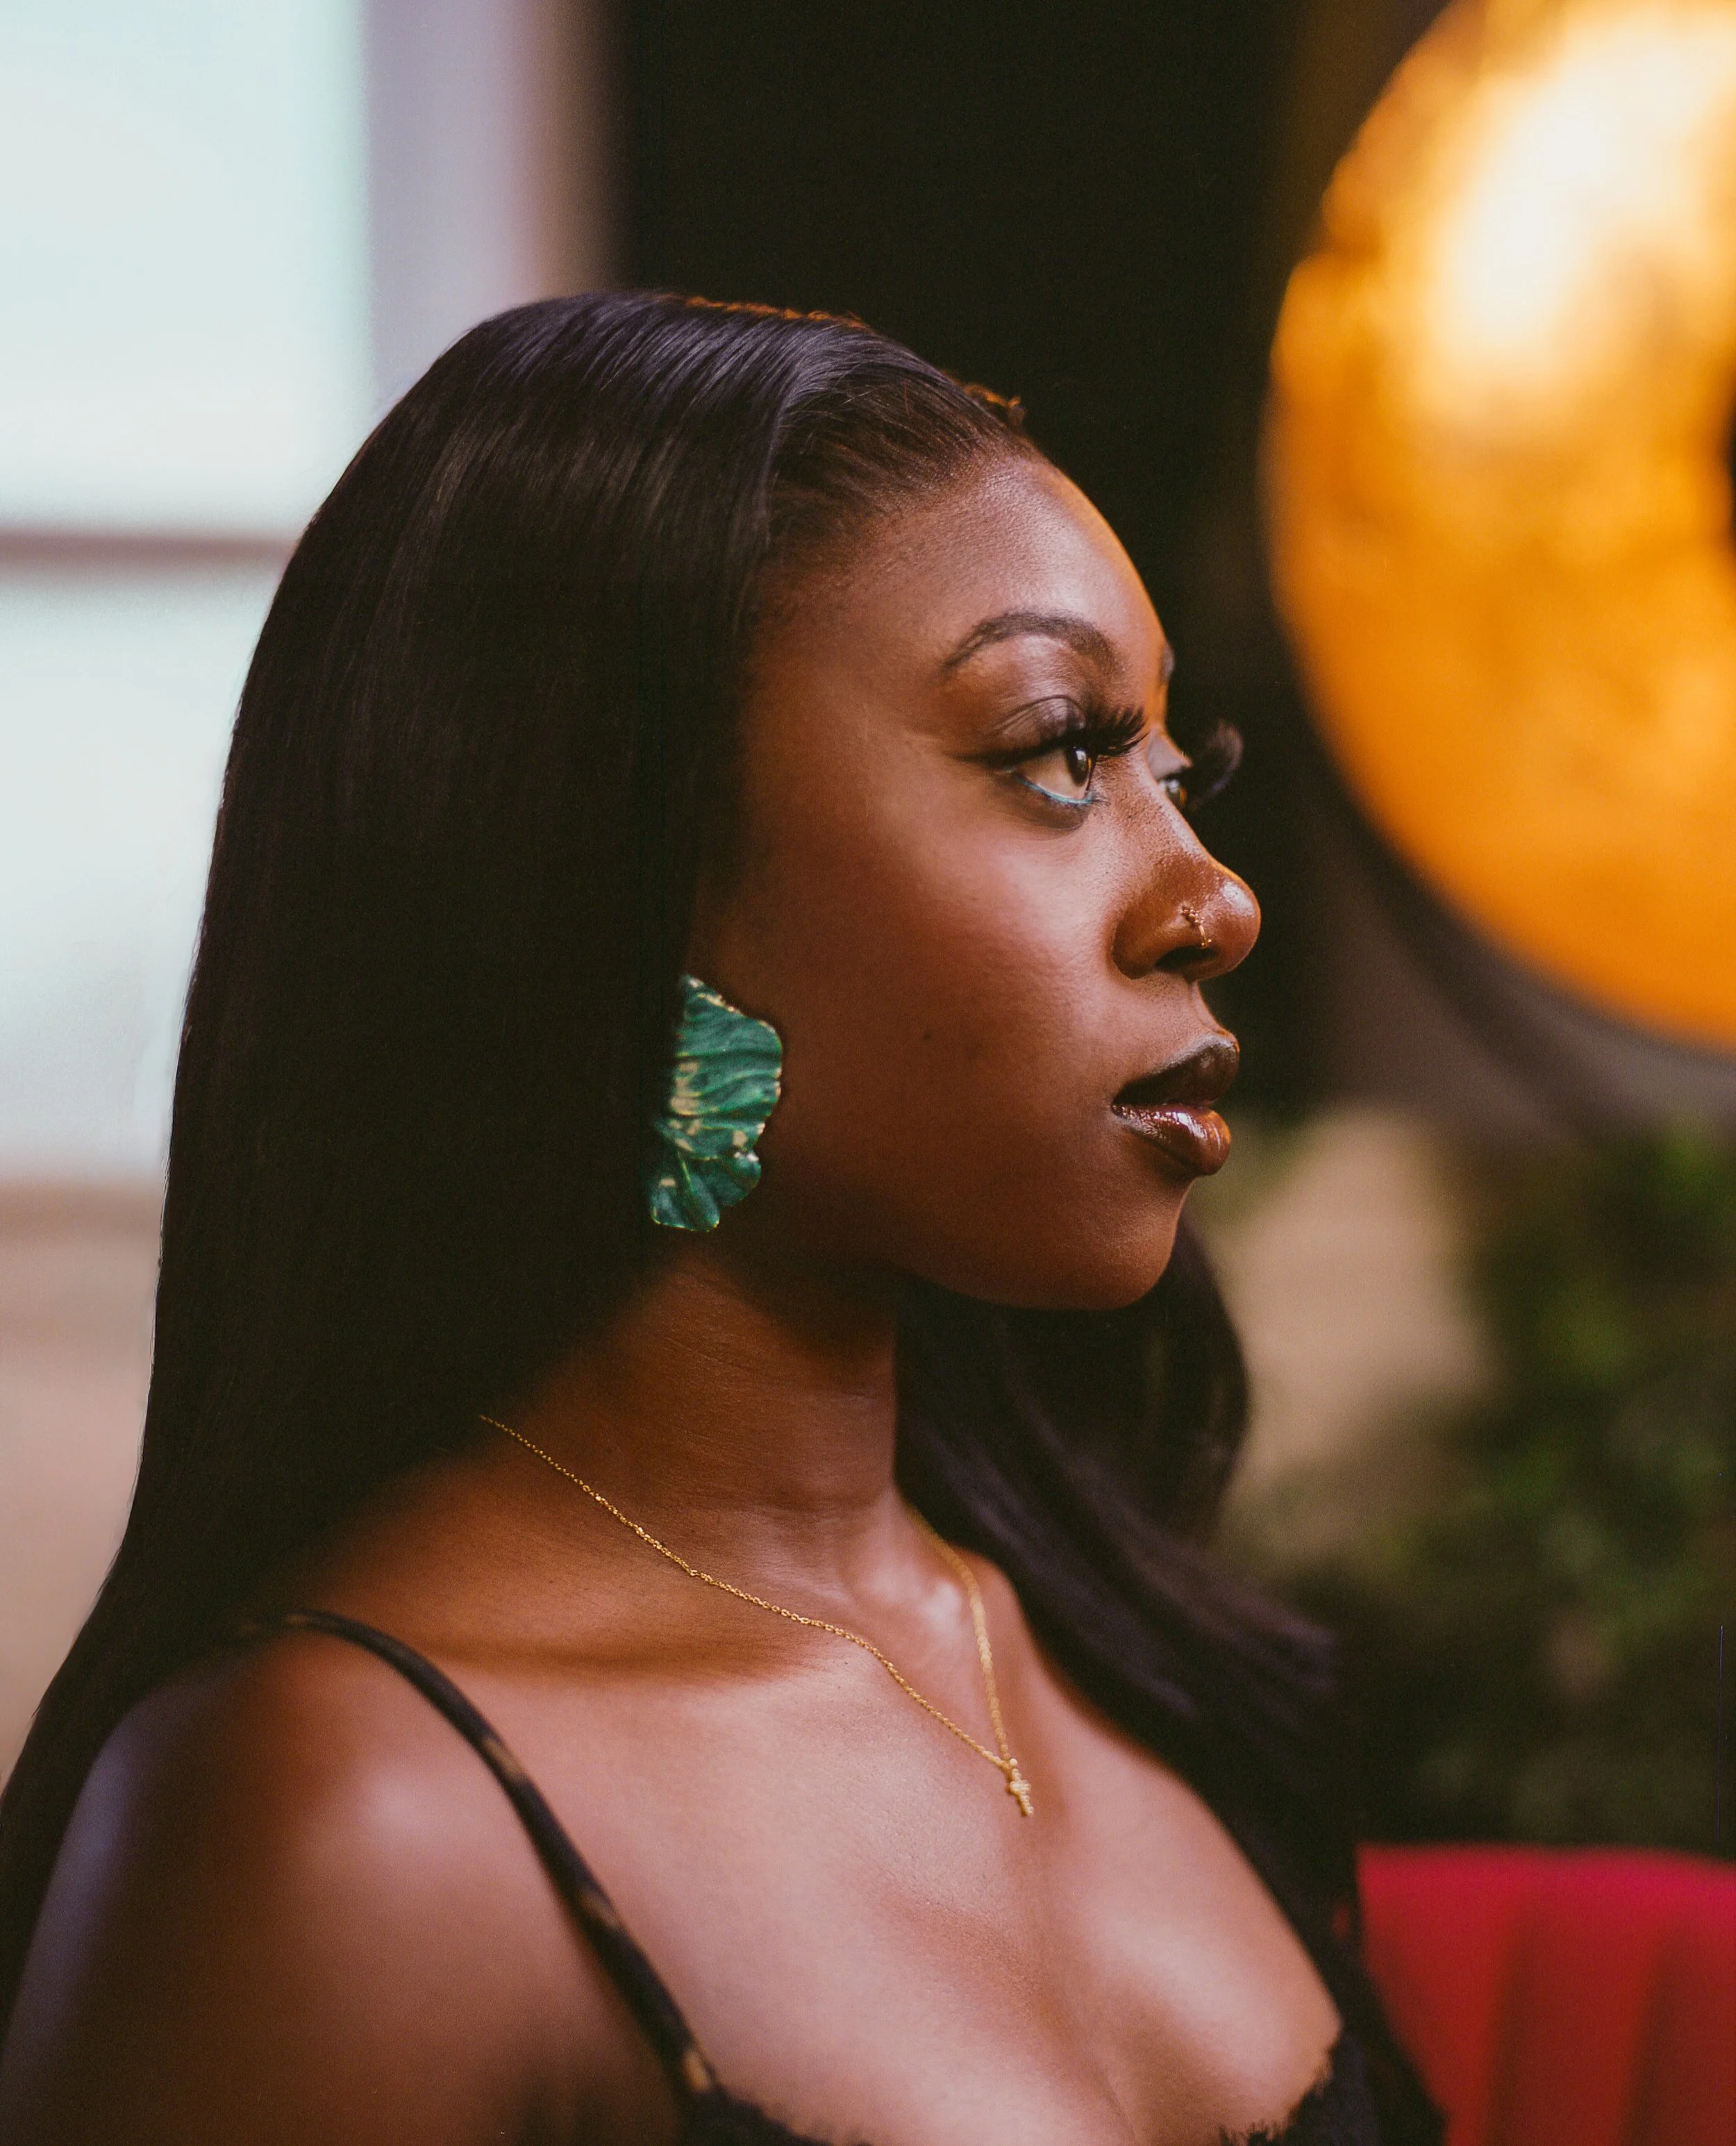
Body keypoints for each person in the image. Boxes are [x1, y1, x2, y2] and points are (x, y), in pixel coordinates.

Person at [0, 295, 1438, 2145]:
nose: (1212, 900)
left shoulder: (1123, 1649)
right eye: (1055, 751)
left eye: (1179, 771)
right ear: (627, 864)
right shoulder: (349, 1824)